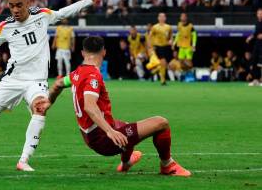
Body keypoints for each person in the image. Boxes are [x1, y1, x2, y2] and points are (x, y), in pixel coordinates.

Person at [0, 0, 102, 171]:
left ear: (28, 2)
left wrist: (90, 0)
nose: (15, 10)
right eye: (11, 6)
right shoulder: (5, 26)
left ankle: (23, 160)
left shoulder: (42, 15)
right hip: (12, 80)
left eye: (19, 5)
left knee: (40, 108)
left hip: (36, 82)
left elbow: (64, 12)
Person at [37, 36, 190, 176]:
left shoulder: (77, 73)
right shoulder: (92, 75)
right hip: (102, 139)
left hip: (89, 136)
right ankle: (167, 166)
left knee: (125, 126)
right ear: (104, 52)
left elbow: (57, 84)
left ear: (83, 53)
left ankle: (126, 163)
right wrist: (110, 131)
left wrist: (50, 100)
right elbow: (90, 107)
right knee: (161, 123)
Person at [149, 13, 173, 85]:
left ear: (165, 18)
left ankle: (154, 71)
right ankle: (163, 80)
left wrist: (171, 41)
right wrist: (150, 47)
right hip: (158, 47)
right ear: (158, 18)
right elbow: (150, 36)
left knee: (165, 64)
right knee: (163, 62)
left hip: (166, 47)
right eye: (160, 16)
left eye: (163, 16)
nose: (162, 18)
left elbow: (171, 36)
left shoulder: (168, 27)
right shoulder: (155, 27)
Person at [246, 8, 262, 86]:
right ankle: (255, 80)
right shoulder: (257, 23)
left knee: (261, 62)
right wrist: (250, 37)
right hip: (257, 44)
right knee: (254, 60)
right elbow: (255, 33)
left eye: (261, 13)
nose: (260, 15)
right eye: (258, 13)